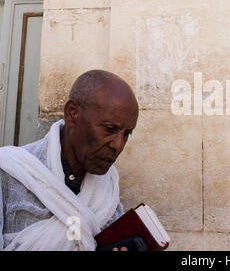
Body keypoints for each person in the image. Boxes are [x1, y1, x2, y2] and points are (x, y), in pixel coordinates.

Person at [0, 70, 139, 250]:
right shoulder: (10, 172)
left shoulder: (107, 189)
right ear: (72, 113)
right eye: (110, 129)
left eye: (127, 134)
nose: (118, 146)